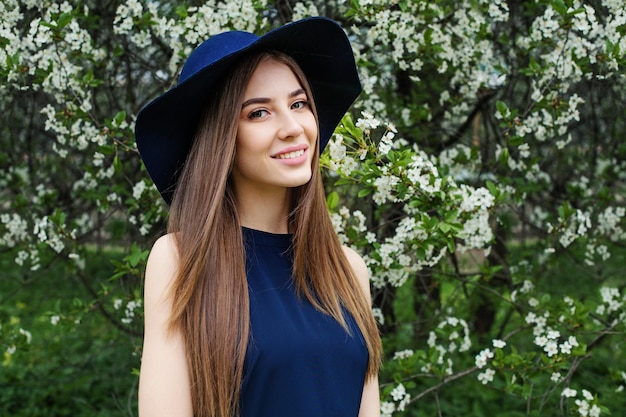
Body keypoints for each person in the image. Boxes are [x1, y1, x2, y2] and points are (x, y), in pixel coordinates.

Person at [134, 16, 382, 417]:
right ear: (221, 141)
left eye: (298, 104)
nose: (292, 127)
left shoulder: (349, 271)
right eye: (259, 113)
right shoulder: (180, 261)